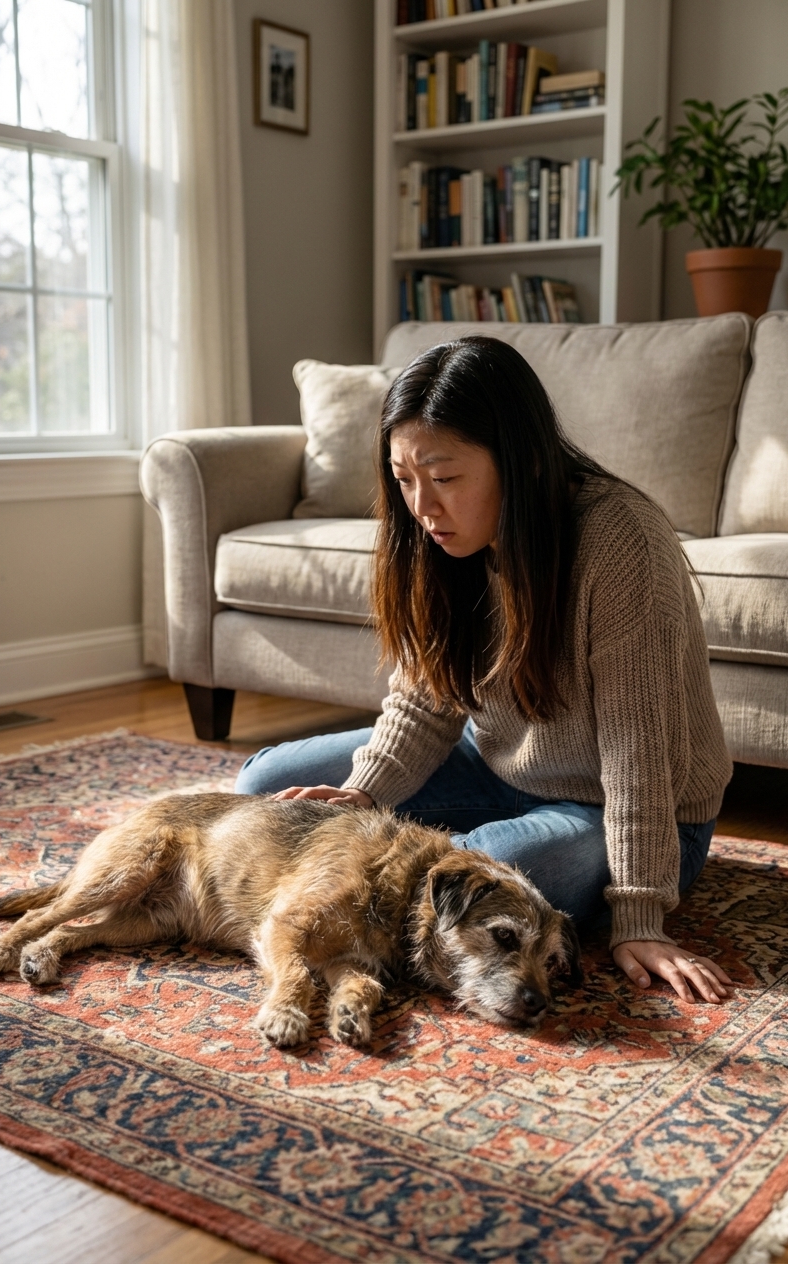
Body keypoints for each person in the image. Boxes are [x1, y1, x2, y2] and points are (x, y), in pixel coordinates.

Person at [236, 336, 734, 1005]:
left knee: (477, 866)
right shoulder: (442, 539)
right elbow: (424, 702)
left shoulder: (620, 541)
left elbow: (636, 752)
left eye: (443, 478)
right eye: (404, 479)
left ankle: (337, 922)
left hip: (627, 805)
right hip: (496, 765)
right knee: (265, 783)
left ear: (520, 463)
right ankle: (311, 913)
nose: (421, 505)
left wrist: (639, 916)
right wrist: (364, 796)